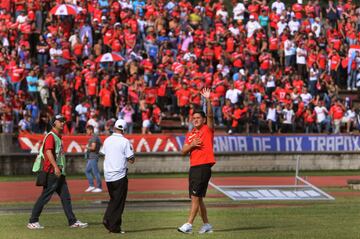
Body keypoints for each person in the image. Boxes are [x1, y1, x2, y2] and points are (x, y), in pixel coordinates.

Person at [27, 115, 88, 229]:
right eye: (60, 121)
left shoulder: (57, 136)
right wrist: (55, 167)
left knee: (66, 198)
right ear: (54, 123)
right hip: (52, 172)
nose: (63, 123)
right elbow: (49, 152)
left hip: (59, 172)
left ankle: (72, 221)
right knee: (44, 197)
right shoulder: (51, 136)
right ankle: (33, 221)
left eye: (63, 121)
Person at [178, 88, 216, 234]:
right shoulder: (191, 134)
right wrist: (192, 145)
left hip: (203, 166)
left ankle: (188, 224)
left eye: (198, 118)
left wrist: (208, 100)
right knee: (198, 199)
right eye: (194, 118)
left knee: (195, 197)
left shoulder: (207, 129)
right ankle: (206, 225)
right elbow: (183, 151)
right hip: (194, 167)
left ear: (204, 120)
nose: (195, 120)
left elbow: (211, 115)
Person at [100, 119, 135, 234]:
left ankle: (114, 226)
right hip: (119, 175)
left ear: (114, 127)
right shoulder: (125, 141)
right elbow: (131, 160)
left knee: (114, 199)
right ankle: (110, 222)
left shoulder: (107, 140)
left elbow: (103, 154)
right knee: (119, 202)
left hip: (108, 175)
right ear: (124, 129)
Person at [84, 125, 102, 193]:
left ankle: (99, 187)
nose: (87, 131)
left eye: (87, 130)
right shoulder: (94, 137)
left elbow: (93, 148)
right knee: (87, 171)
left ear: (91, 130)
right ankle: (91, 186)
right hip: (91, 157)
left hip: (93, 157)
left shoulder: (94, 137)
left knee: (95, 172)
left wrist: (86, 147)